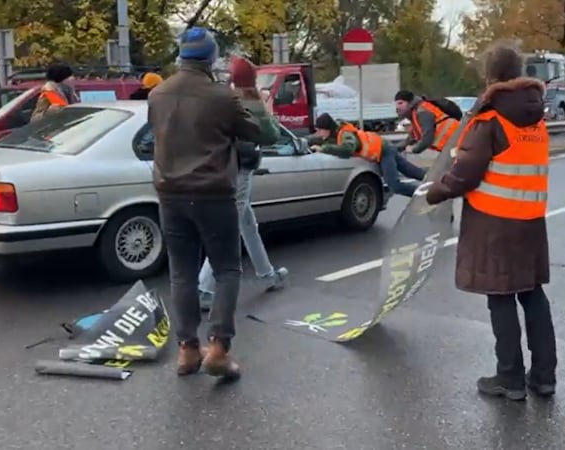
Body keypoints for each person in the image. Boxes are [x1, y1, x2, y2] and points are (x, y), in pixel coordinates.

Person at [422, 41, 557, 401]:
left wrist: (436, 191)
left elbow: (465, 174)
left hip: (495, 223)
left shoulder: (490, 120)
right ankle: (544, 377)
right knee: (533, 295)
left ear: (490, 76)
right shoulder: (537, 117)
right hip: (531, 221)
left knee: (501, 297)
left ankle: (509, 378)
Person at [148, 27, 278, 380]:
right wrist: (253, 97)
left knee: (182, 272)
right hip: (213, 194)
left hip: (170, 194)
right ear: (210, 58)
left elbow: (154, 137)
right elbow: (265, 134)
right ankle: (219, 349)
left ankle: (188, 350)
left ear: (181, 56)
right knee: (226, 269)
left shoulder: (157, 93)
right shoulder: (222, 97)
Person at [197, 56, 288, 311]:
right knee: (231, 224)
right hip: (241, 166)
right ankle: (204, 288)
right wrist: (264, 106)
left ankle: (267, 274)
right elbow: (270, 135)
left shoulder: (219, 96)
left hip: (220, 164)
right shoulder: (247, 99)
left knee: (247, 221)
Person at [308, 113, 425, 197]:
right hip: (384, 147)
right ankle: (435, 182)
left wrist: (324, 149)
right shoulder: (333, 134)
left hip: (384, 151)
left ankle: (424, 196)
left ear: (328, 129)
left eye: (320, 130)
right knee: (412, 172)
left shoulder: (345, 134)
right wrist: (304, 142)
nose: (319, 133)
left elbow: (348, 149)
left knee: (395, 186)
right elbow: (315, 138)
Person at [394, 90, 461, 154]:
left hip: (458, 140)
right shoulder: (415, 114)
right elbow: (411, 139)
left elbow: (427, 139)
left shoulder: (422, 112)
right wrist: (392, 149)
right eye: (396, 104)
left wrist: (413, 149)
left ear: (410, 102)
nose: (397, 107)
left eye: (400, 103)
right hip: (453, 144)